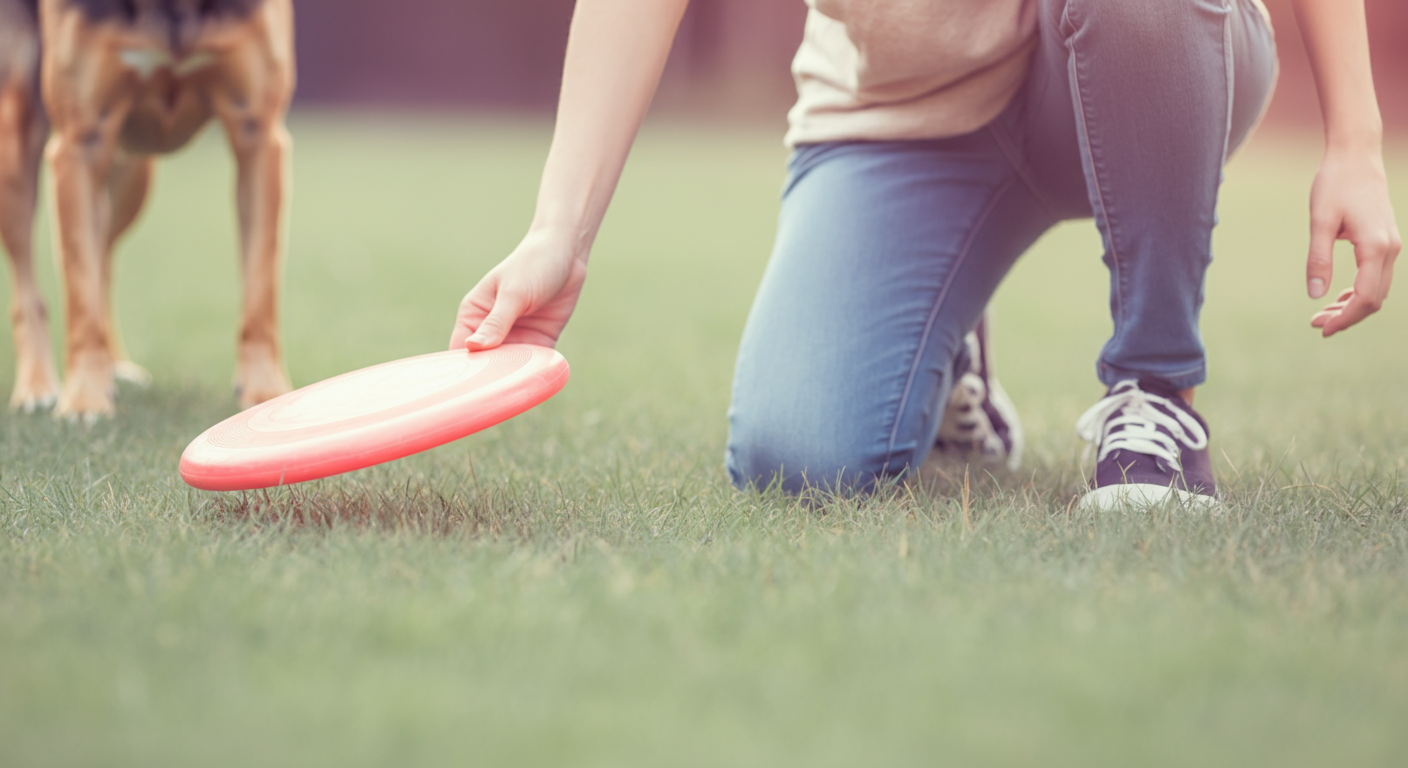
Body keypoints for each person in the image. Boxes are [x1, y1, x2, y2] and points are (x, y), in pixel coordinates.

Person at [449, 0, 1400, 508]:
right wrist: (557, 233)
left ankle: (1157, 393)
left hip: (1144, 48)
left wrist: (1355, 140)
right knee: (798, 459)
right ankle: (950, 345)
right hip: (902, 115)